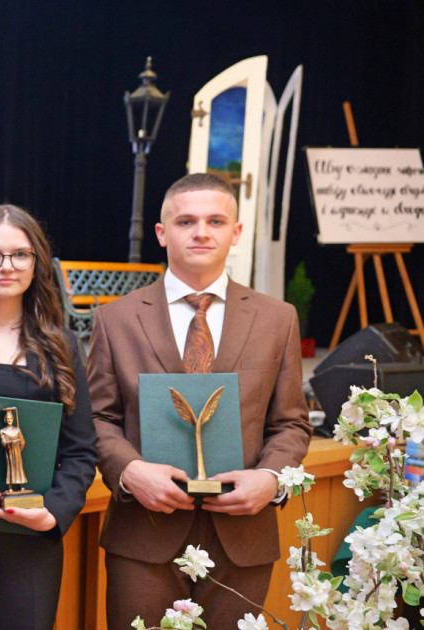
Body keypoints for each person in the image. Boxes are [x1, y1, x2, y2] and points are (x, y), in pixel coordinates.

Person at [88, 173, 311, 628]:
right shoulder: (116, 319)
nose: (201, 232)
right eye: (186, 221)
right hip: (144, 533)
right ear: (162, 232)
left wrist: (271, 479)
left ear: (236, 232)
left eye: (215, 221)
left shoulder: (278, 318)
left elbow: (291, 423)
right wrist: (129, 471)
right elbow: (97, 417)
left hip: (243, 534)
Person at [0, 204, 97, 629]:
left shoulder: (60, 345)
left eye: (20, 254)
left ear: (36, 263)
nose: (6, 265)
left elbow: (81, 452)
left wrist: (53, 512)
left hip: (31, 544)